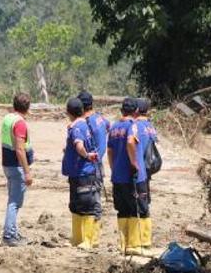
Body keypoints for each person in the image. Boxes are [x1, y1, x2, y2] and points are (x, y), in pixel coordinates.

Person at [107, 97, 150, 256]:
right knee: (137, 208)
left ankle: (123, 244)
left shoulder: (114, 127)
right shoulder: (133, 126)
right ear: (136, 112)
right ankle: (135, 244)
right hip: (133, 177)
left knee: (122, 210)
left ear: (121, 110)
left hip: (118, 177)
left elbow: (110, 151)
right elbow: (131, 142)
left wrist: (113, 168)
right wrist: (134, 163)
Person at [62, 97, 100, 248]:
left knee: (86, 205)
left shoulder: (77, 127)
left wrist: (86, 155)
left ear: (68, 112)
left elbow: (79, 145)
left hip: (84, 172)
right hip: (76, 173)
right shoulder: (81, 125)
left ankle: (88, 240)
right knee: (76, 205)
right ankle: (77, 238)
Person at [1, 93, 34, 246]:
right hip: (16, 166)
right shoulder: (20, 123)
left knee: (12, 199)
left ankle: (13, 232)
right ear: (27, 108)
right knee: (15, 202)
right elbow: (20, 149)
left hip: (7, 164)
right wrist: (27, 172)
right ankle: (9, 236)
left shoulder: (8, 118)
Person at [77, 90, 111, 221]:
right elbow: (108, 127)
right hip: (98, 162)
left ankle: (94, 229)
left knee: (92, 197)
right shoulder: (100, 118)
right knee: (96, 192)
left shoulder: (85, 122)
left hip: (90, 163)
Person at [136, 98, 158, 207]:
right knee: (146, 185)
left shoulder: (136, 125)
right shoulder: (150, 125)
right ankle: (146, 202)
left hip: (140, 163)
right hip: (150, 162)